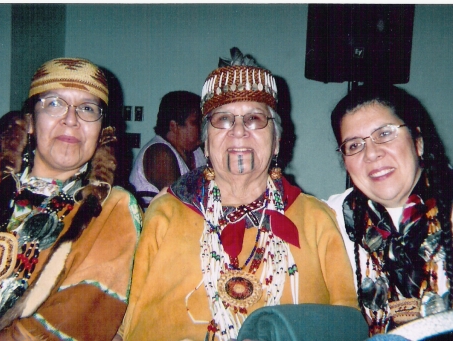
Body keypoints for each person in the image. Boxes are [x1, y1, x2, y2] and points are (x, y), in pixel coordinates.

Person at [121, 47, 358, 341]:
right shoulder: (165, 213)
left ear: (276, 142)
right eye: (223, 119)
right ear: (205, 144)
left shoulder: (317, 219)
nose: (239, 131)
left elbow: (349, 324)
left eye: (255, 119)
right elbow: (127, 323)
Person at [0, 57, 141, 340]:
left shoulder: (111, 209)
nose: (71, 119)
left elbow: (74, 318)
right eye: (54, 103)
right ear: (29, 122)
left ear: (102, 132)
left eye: (87, 108)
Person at [326, 84, 453, 336]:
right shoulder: (338, 217)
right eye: (354, 145)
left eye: (385, 134)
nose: (371, 153)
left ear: (418, 141)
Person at [129, 90, 206, 209]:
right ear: (174, 126)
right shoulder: (159, 154)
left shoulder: (197, 151)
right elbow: (178, 206)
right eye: (196, 122)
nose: (203, 127)